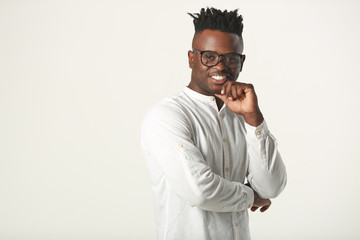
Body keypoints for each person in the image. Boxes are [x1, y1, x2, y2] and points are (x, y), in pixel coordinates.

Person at [141, 7, 287, 240]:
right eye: (209, 57)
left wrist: (254, 119)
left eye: (231, 58)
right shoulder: (166, 116)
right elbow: (200, 191)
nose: (220, 67)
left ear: (242, 61)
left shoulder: (242, 115)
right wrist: (250, 196)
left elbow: (271, 187)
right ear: (192, 59)